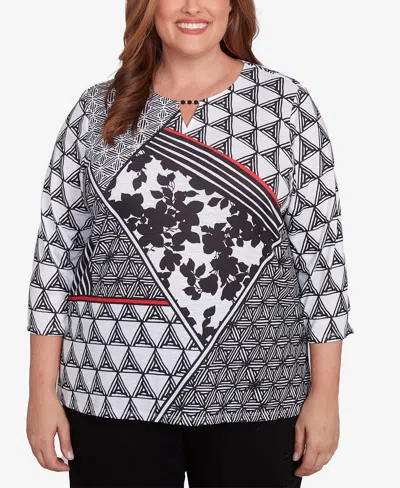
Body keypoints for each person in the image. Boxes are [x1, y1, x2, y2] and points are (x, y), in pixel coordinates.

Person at [25, 1, 354, 487]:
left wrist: (325, 397)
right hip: (111, 386)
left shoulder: (284, 105)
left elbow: (321, 259)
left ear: (232, 6)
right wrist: (41, 394)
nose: (193, 6)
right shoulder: (97, 109)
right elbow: (55, 256)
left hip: (255, 389)